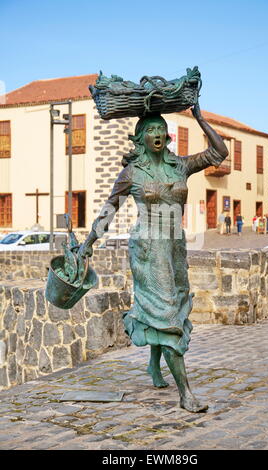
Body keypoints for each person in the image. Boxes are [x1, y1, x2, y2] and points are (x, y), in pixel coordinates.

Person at [78, 102, 228, 413]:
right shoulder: (132, 172)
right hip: (148, 250)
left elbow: (219, 153)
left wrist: (199, 116)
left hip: (174, 247)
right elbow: (109, 209)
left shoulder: (179, 166)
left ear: (167, 136)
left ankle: (153, 365)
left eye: (161, 129)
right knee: (166, 312)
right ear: (141, 138)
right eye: (151, 130)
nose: (157, 133)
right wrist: (88, 242)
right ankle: (185, 393)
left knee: (172, 304)